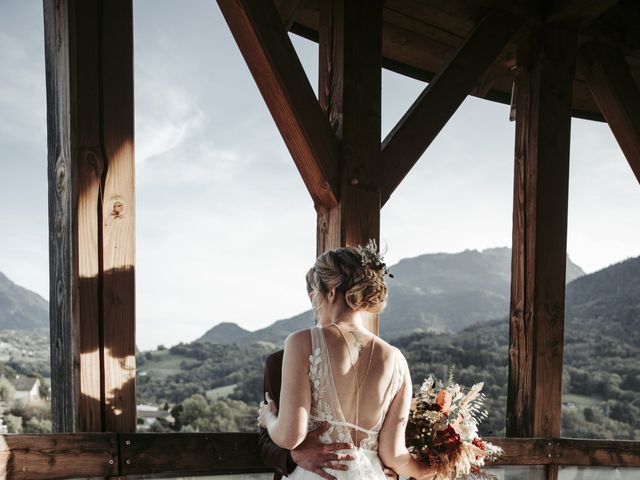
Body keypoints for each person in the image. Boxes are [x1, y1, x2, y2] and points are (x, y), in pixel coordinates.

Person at [258, 243, 436, 480]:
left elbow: (292, 436)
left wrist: (268, 419)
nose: (313, 302)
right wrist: (436, 470)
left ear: (330, 292)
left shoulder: (302, 342)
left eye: (314, 293)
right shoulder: (397, 360)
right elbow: (394, 455)